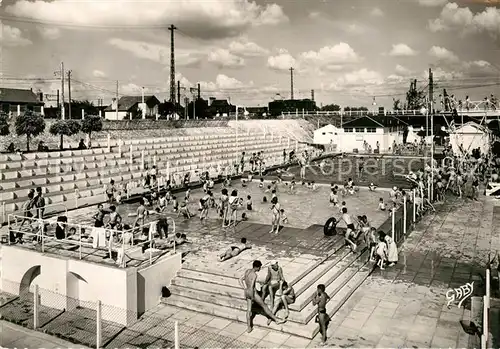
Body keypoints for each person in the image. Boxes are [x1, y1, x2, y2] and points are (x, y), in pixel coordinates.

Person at [239, 260, 286, 333]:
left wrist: (244, 288)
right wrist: (252, 296)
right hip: (252, 293)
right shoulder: (254, 275)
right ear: (257, 267)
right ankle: (276, 320)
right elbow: (251, 286)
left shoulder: (247, 271)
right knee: (264, 306)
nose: (260, 269)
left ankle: (249, 327)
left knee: (248, 310)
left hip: (246, 292)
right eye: (260, 267)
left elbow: (240, 280)